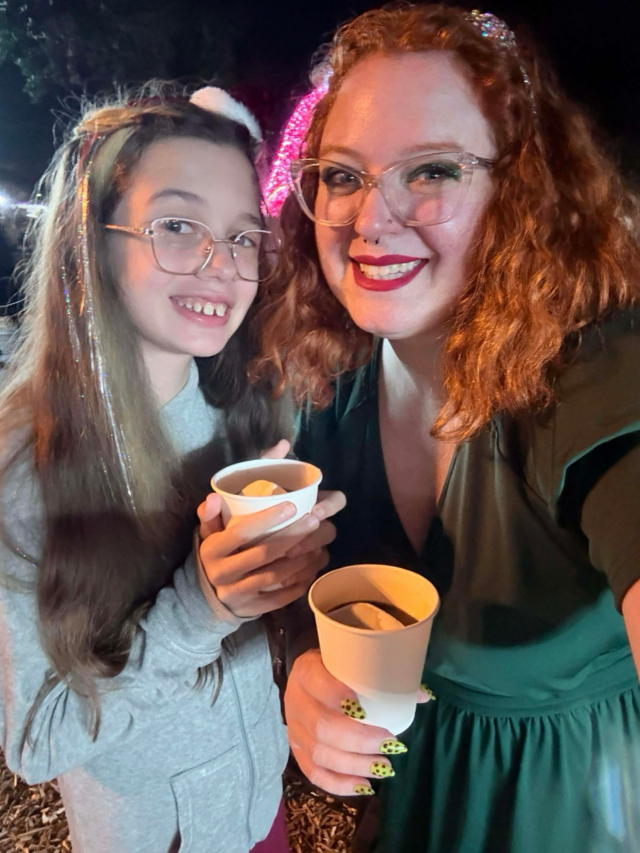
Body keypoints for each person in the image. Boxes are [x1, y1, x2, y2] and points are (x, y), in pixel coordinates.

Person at [255, 5, 640, 852]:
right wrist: (304, 669)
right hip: (412, 808)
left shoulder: (594, 372)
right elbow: (311, 601)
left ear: (521, 193)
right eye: (343, 175)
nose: (370, 219)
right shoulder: (329, 390)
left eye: (430, 169)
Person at [0, 85, 344, 853]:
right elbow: (37, 742)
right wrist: (200, 610)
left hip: (259, 810)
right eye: (179, 226)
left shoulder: (235, 412)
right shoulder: (24, 470)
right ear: (93, 240)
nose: (222, 266)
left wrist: (287, 580)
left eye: (243, 235)